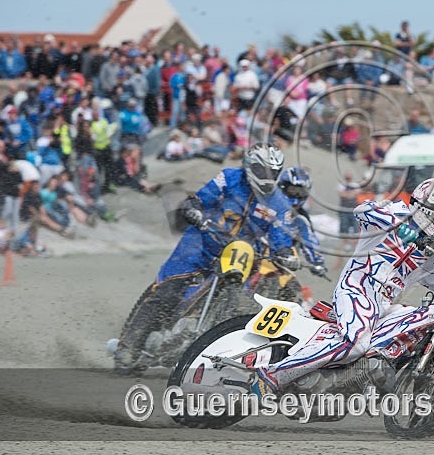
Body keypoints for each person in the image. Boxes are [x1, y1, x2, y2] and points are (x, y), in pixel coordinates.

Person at [248, 178, 434, 398]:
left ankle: (420, 396)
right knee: (355, 345)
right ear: (428, 209)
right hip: (356, 289)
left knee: (432, 317)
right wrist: (403, 229)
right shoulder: (396, 213)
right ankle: (272, 375)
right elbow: (362, 210)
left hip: (384, 306)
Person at [114, 143, 298, 374]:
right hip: (202, 242)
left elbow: (282, 237)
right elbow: (201, 198)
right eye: (263, 171)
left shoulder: (280, 203)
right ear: (250, 167)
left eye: (273, 172)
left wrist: (285, 253)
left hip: (240, 254)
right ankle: (127, 348)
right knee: (168, 289)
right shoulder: (230, 177)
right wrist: (194, 208)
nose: (267, 178)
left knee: (254, 295)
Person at [277, 167, 327, 274]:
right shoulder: (267, 205)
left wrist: (317, 262)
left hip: (285, 259)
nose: (296, 197)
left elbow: (310, 240)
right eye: (293, 191)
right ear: (282, 188)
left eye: (301, 192)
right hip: (257, 251)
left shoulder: (302, 217)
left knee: (293, 285)